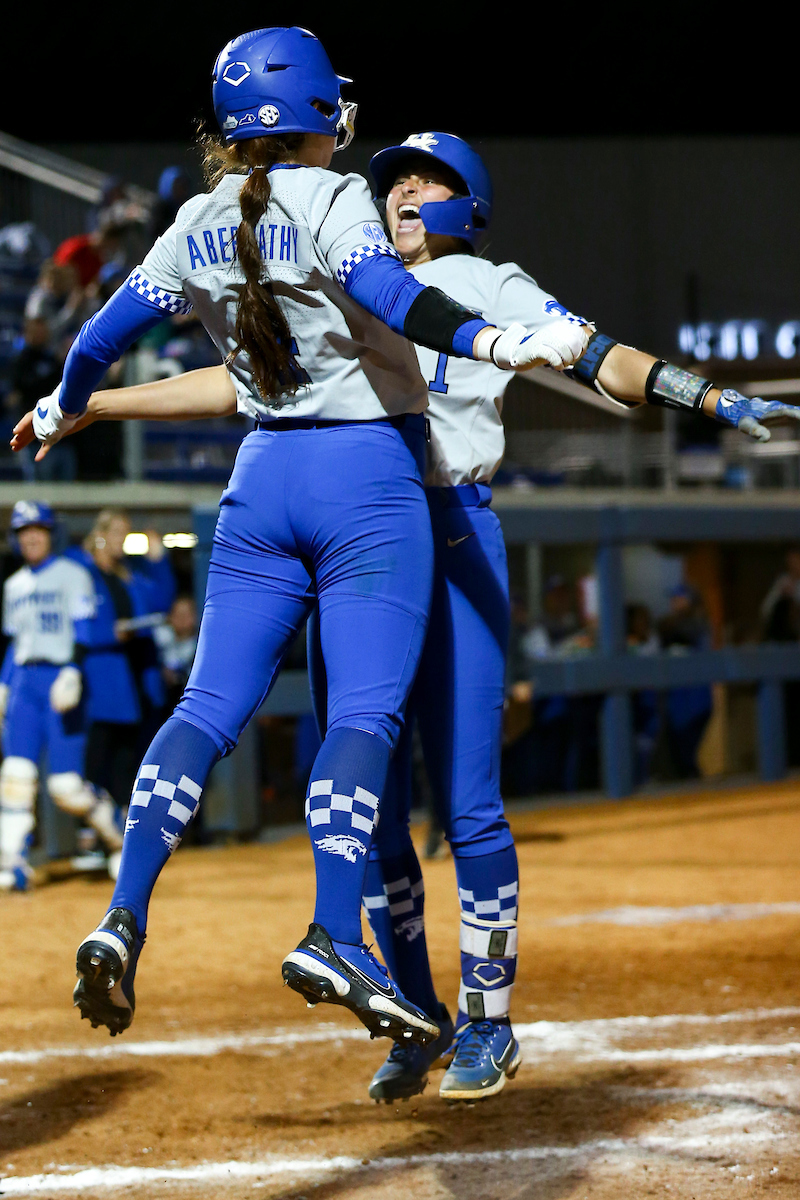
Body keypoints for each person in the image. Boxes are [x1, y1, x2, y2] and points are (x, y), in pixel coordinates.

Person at [16, 125, 799, 1094]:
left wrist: (703, 392)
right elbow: (244, 385)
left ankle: (486, 1021)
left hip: (448, 527)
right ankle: (412, 1013)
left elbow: (599, 355)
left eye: (427, 182)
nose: (401, 192)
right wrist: (99, 405)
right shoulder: (347, 261)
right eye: (394, 179)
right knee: (373, 808)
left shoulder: (481, 281)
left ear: (465, 205)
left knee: (465, 803)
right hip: (364, 530)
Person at [22, 29, 572, 1046]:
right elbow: (392, 297)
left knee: (205, 705)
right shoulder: (334, 198)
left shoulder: (193, 217)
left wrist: (64, 409)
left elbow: (96, 342)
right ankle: (329, 926)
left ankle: (123, 910)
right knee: (362, 718)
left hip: (258, 482)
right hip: (364, 479)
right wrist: (496, 338)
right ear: (323, 111)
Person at [0, 502, 123, 890]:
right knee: (15, 778)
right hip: (24, 682)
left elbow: (83, 629)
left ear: (51, 533)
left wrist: (72, 670)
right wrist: (4, 684)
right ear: (16, 538)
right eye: (23, 531)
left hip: (60, 682)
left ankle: (118, 835)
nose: (31, 536)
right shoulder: (13, 585)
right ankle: (11, 863)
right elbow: (14, 641)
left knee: (66, 788)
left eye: (37, 529)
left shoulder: (72, 574)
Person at [66, 511, 177, 811]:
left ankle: (122, 833)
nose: (122, 541)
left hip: (134, 676)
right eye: (116, 533)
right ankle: (91, 836)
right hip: (100, 678)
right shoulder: (81, 570)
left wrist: (158, 560)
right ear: (100, 534)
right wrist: (111, 633)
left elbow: (161, 602)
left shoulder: (128, 574)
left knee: (127, 760)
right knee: (97, 759)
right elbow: (77, 624)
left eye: (126, 534)